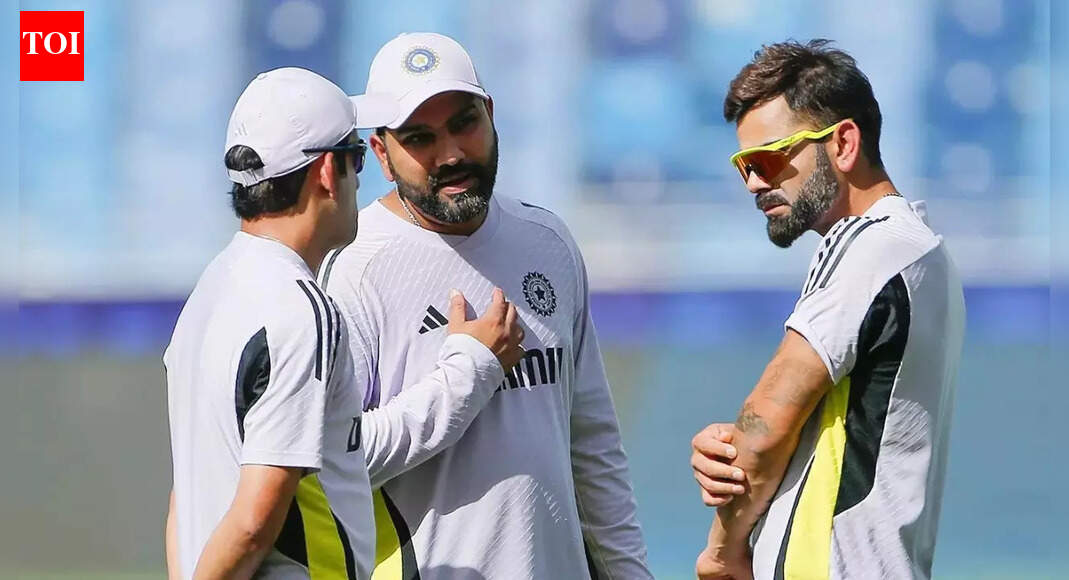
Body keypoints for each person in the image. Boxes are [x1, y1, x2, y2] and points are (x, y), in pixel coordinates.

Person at [321, 32, 673, 579]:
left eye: (464, 123)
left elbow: (593, 445)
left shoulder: (547, 241)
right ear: (382, 155)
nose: (451, 154)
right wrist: (467, 377)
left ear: (490, 113)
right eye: (420, 138)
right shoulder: (354, 269)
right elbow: (333, 464)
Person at [164, 66, 524, 580]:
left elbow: (185, 494)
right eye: (356, 158)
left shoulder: (209, 293)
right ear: (328, 171)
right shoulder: (299, 309)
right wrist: (469, 370)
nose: (362, 180)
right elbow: (253, 522)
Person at [691, 40, 965, 580]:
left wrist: (722, 552)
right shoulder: (919, 251)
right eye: (744, 165)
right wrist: (730, 447)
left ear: (843, 143)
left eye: (769, 158)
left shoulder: (869, 244)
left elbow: (768, 425)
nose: (754, 182)